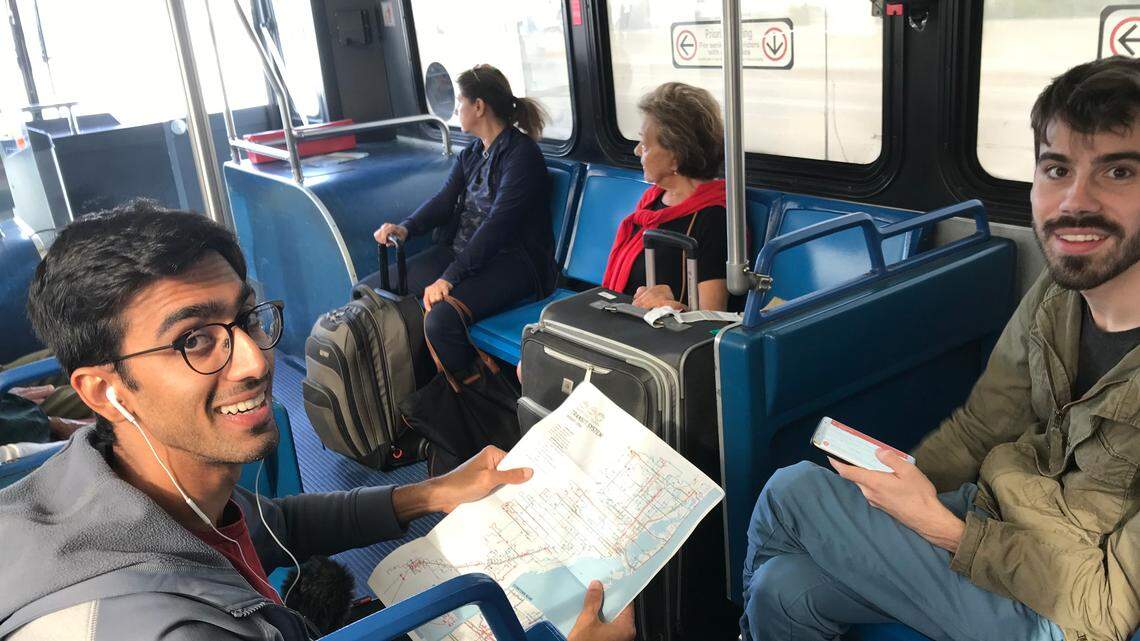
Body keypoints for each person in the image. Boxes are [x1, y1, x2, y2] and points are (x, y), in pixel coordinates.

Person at [0, 201, 634, 641]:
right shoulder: (170, 629)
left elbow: (272, 526)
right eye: (195, 340)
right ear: (105, 390)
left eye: (245, 320)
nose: (256, 361)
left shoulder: (132, 485)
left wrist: (434, 492)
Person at [739, 56, 1140, 641]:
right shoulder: (1057, 296)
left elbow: (1106, 610)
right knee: (783, 590)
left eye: (1119, 172)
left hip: (1063, 605)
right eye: (1057, 169)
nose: (1075, 201)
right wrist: (900, 490)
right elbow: (982, 427)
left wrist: (938, 527)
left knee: (793, 490)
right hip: (1002, 516)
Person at [368, 64, 556, 376]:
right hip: (462, 253)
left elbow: (498, 224)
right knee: (372, 294)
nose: (457, 110)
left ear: (478, 106)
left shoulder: (521, 156)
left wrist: (449, 277)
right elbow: (444, 201)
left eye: (460, 102)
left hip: (512, 262)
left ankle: (477, 395)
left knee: (441, 319)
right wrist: (406, 227)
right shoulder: (471, 154)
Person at [602, 82, 733, 312]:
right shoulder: (651, 201)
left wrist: (671, 308)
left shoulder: (713, 218)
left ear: (676, 157)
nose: (637, 151)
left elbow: (712, 318)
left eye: (645, 145)